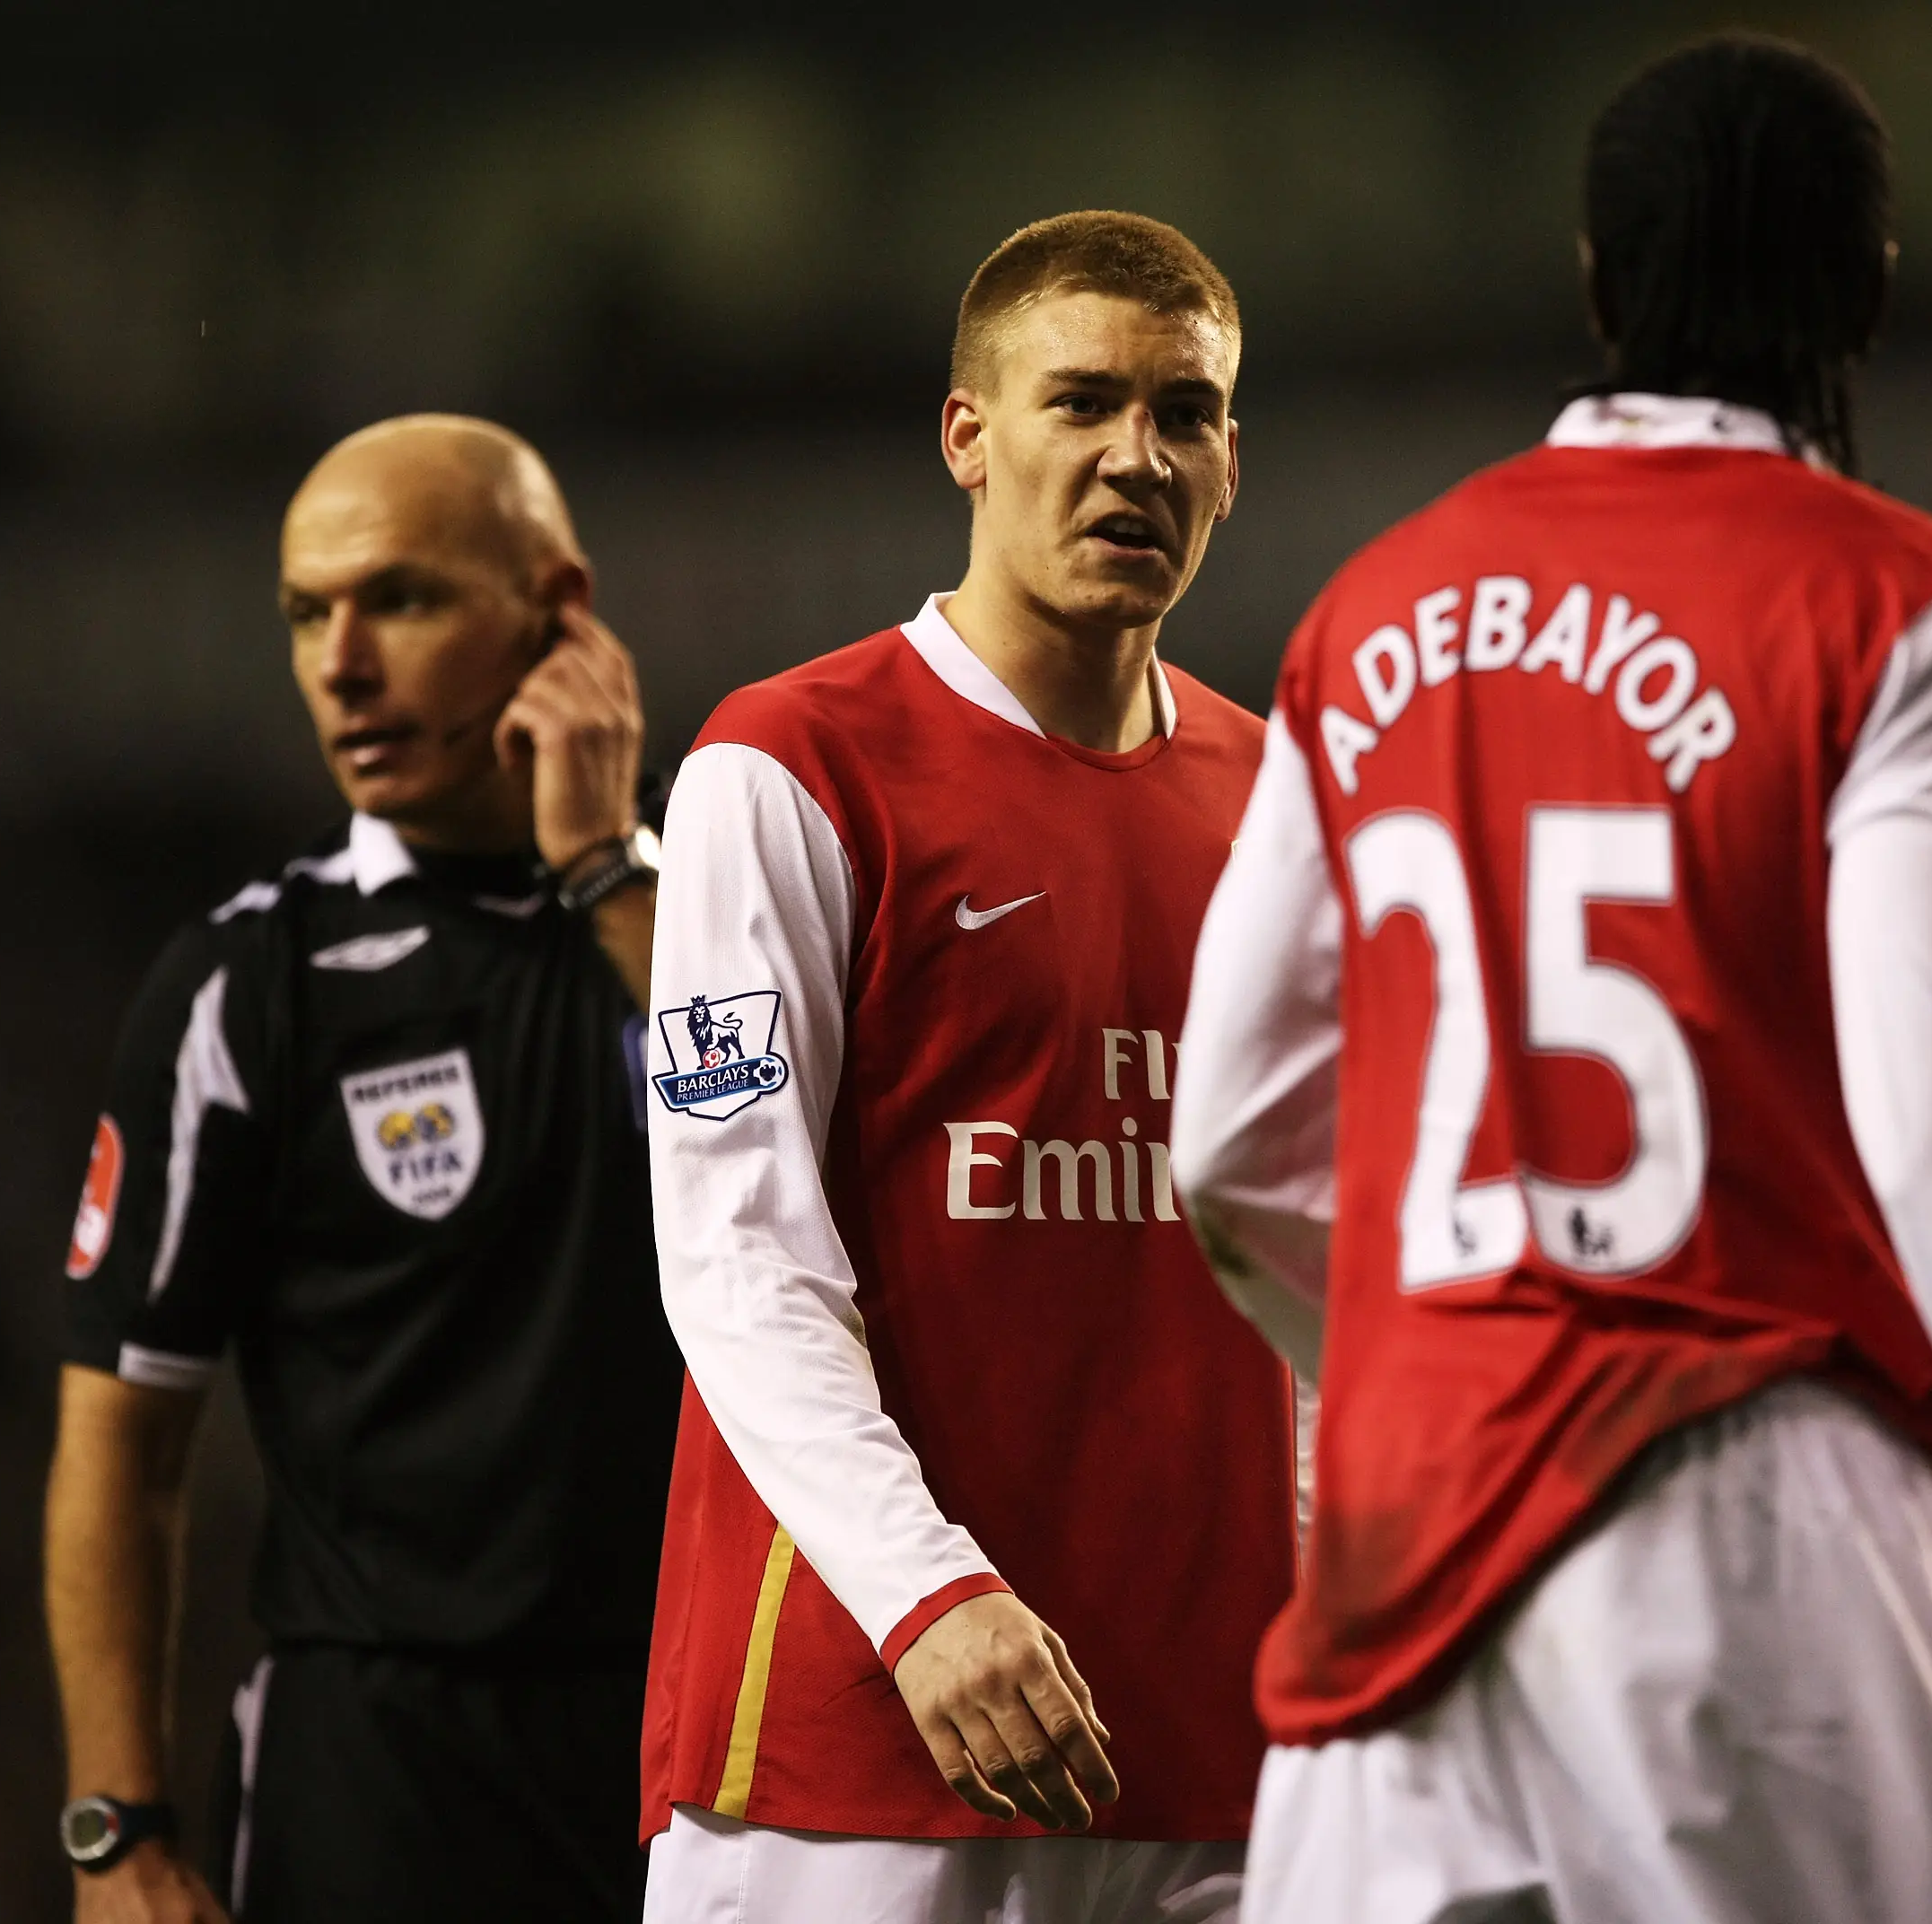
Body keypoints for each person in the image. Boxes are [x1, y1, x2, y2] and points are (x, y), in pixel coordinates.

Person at [1169, 35, 1932, 1924]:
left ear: (1596, 281)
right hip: (1755, 1538)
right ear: (1870, 288)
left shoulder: (1365, 612)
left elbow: (1228, 1138)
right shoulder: (1917, 615)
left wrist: (1455, 1358)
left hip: (1395, 1588)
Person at [638, 211, 1296, 1923]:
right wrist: (928, 1595)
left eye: (1184, 414)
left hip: (1218, 1757)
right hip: (861, 1751)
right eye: (1080, 402)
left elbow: (1314, 1280)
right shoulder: (786, 766)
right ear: (968, 435)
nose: (1136, 458)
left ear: (1231, 463)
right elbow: (737, 1255)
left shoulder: (1287, 806)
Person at [43, 415, 682, 1922]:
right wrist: (116, 1830)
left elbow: (810, 1152)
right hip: (379, 1774)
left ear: (558, 612)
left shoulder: (724, 918)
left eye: (400, 599)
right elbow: (122, 1439)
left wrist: (608, 868)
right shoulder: (249, 985)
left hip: (703, 1744)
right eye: (305, 614)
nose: (341, 664)